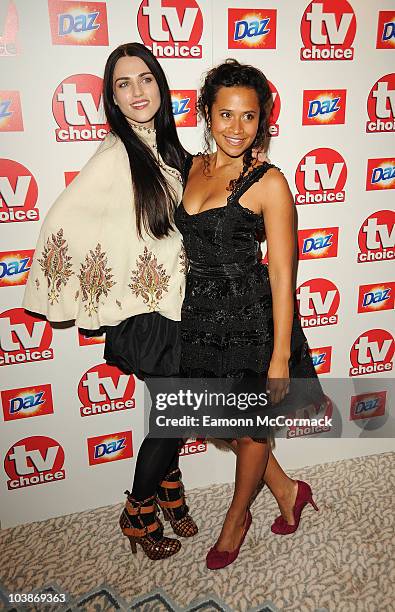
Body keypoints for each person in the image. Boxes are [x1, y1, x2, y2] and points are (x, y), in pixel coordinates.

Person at [23, 42, 197, 561]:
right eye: (124, 84)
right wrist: (95, 290)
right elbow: (63, 222)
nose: (137, 91)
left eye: (145, 79)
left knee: (170, 415)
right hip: (147, 317)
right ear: (112, 98)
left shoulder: (165, 148)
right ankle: (138, 510)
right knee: (178, 415)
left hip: (176, 309)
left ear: (160, 86)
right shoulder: (117, 153)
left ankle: (169, 490)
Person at [174, 59, 325, 570]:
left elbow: (283, 273)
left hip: (251, 322)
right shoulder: (191, 168)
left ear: (262, 121)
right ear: (206, 115)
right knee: (228, 424)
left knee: (251, 428)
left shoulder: (269, 182)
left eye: (249, 116)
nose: (237, 128)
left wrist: (280, 356)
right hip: (201, 319)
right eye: (225, 115)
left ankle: (237, 518)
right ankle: (287, 490)